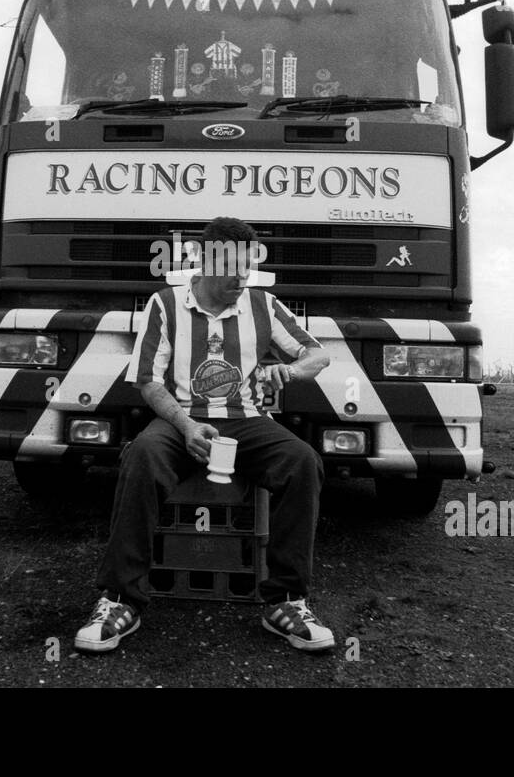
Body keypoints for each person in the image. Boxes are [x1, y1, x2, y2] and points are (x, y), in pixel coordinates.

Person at [75, 217, 334, 653]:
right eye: (232, 266)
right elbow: (148, 382)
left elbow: (318, 354)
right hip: (182, 419)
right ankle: (120, 599)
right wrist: (187, 425)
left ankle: (286, 601)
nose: (240, 276)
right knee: (142, 455)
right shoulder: (165, 304)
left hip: (247, 420)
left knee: (302, 460)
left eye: (247, 267)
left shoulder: (262, 305)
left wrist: (288, 369)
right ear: (206, 260)